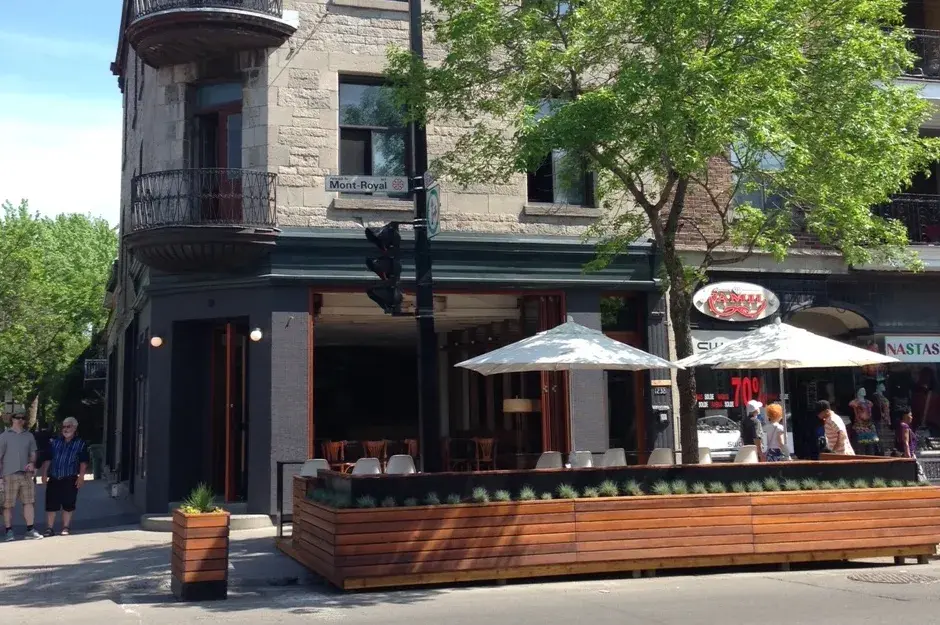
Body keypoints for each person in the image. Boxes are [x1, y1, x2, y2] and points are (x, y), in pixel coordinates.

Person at [42, 417, 89, 536]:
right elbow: (48, 459)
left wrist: (81, 476)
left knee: (68, 504)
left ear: (74, 428)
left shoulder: (80, 443)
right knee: (51, 505)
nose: (65, 429)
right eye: (64, 426)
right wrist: (44, 474)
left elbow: (83, 461)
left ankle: (65, 527)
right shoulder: (55, 442)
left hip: (70, 477)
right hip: (54, 477)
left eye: (68, 426)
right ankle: (49, 528)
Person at [0, 410, 42, 540]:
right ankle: (9, 531)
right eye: (17, 417)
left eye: (23, 418)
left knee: (29, 502)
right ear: (12, 419)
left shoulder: (29, 436)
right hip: (8, 474)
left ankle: (30, 529)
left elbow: (33, 453)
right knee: (7, 505)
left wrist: (32, 463)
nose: (20, 420)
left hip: (26, 474)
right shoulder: (4, 436)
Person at [896, 409, 928, 482]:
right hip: (908, 453)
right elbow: (905, 441)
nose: (911, 417)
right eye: (910, 415)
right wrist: (908, 455)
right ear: (905, 416)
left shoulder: (901, 425)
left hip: (907, 453)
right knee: (918, 470)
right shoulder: (905, 426)